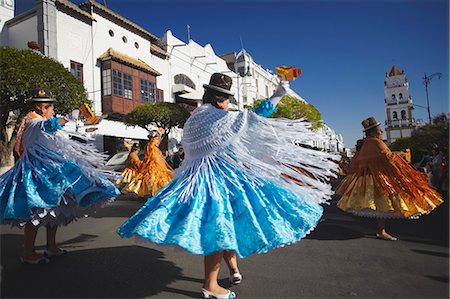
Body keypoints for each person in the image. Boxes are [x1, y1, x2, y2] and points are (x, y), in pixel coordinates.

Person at [118, 73, 338, 299]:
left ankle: (233, 270)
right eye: (226, 101)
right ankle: (211, 286)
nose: (227, 106)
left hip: (195, 179)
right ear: (220, 99)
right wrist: (278, 95)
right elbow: (253, 117)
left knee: (225, 227)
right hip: (216, 180)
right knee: (220, 228)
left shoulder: (194, 118)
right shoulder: (216, 117)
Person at [0, 89, 119, 264]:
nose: (54, 112)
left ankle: (51, 246)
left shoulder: (41, 120)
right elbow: (48, 126)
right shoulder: (33, 121)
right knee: (35, 212)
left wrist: (84, 120)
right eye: (52, 109)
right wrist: (67, 118)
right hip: (36, 173)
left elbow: (57, 132)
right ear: (42, 108)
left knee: (54, 211)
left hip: (50, 170)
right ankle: (28, 253)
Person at [336, 117, 443, 241]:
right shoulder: (376, 142)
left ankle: (381, 230)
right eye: (379, 131)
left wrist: (342, 165)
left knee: (379, 205)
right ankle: (381, 231)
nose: (382, 133)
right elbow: (388, 158)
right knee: (384, 204)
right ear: (373, 132)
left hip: (367, 179)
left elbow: (355, 164)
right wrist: (402, 154)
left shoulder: (365, 144)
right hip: (379, 178)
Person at [121, 131, 174, 197]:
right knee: (153, 185)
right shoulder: (150, 146)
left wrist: (164, 157)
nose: (159, 142)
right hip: (152, 170)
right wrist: (157, 135)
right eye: (158, 140)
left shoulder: (156, 149)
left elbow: (158, 159)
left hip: (159, 169)